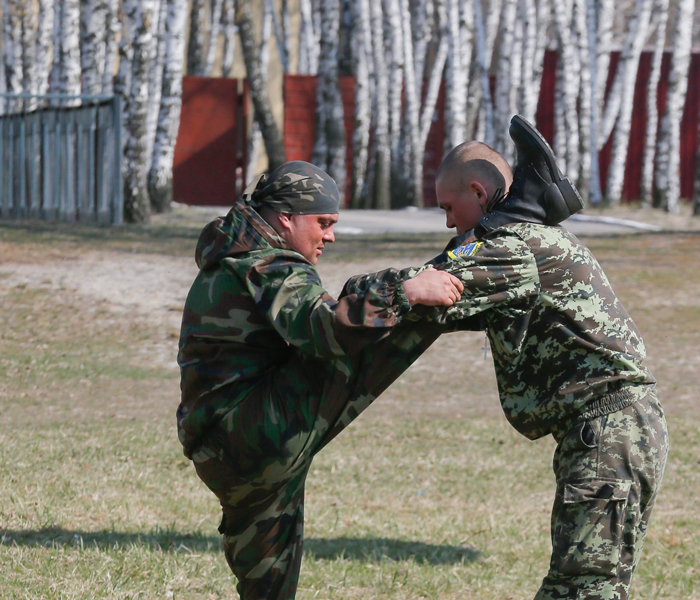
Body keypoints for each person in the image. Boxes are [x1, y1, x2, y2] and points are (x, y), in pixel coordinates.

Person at [176, 161, 463, 600]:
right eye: (323, 223)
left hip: (223, 452)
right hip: (252, 434)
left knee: (269, 590)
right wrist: (405, 292)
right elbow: (323, 327)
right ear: (286, 218)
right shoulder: (270, 264)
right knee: (368, 329)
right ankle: (471, 262)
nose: (330, 236)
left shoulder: (230, 257)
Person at [417, 116, 668, 600]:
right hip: (614, 431)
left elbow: (429, 287)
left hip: (607, 434)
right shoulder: (530, 242)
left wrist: (353, 297)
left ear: (478, 191)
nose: (448, 221)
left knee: (580, 588)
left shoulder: (514, 248)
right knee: (594, 585)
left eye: (450, 207)